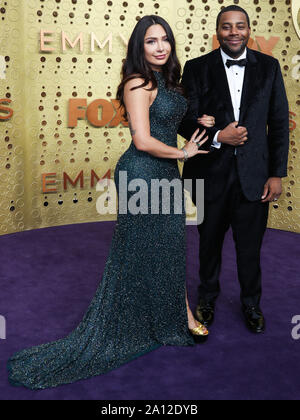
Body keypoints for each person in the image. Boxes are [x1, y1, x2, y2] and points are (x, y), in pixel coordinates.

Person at [7, 15, 215, 390]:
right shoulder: (138, 82)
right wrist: (184, 153)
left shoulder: (168, 82)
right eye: (151, 41)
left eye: (164, 39)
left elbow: (168, 122)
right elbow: (142, 141)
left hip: (165, 171)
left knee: (168, 244)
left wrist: (200, 119)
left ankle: (176, 313)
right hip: (143, 171)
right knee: (141, 248)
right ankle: (172, 315)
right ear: (140, 47)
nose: (160, 46)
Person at [178, 5, 289, 333]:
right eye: (227, 27)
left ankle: (251, 303)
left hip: (255, 176)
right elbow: (185, 119)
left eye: (240, 26)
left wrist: (276, 173)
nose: (234, 32)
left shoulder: (268, 67)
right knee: (208, 242)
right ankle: (207, 298)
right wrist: (217, 136)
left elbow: (279, 123)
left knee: (250, 247)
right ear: (217, 32)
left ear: (249, 30)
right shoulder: (196, 68)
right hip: (210, 174)